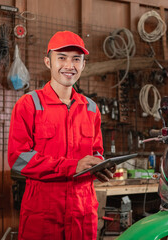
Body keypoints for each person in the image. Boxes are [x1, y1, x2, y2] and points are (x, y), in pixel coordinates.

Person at [8, 30, 116, 240]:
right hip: (43, 214)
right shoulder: (29, 104)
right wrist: (72, 166)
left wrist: (101, 166)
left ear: (83, 65)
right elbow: (18, 159)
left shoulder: (91, 108)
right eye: (62, 58)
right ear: (48, 61)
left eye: (76, 59)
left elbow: (96, 151)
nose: (69, 65)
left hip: (82, 213)